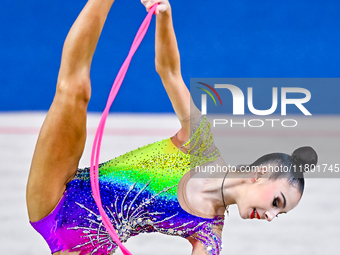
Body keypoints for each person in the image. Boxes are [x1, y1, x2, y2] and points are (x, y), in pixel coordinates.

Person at [26, 0, 318, 255]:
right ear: (260, 174)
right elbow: (169, 72)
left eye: (279, 214)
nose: (270, 216)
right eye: (276, 202)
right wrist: (164, 14)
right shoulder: (201, 144)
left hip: (87, 249)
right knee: (74, 91)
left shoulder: (210, 236)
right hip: (57, 193)